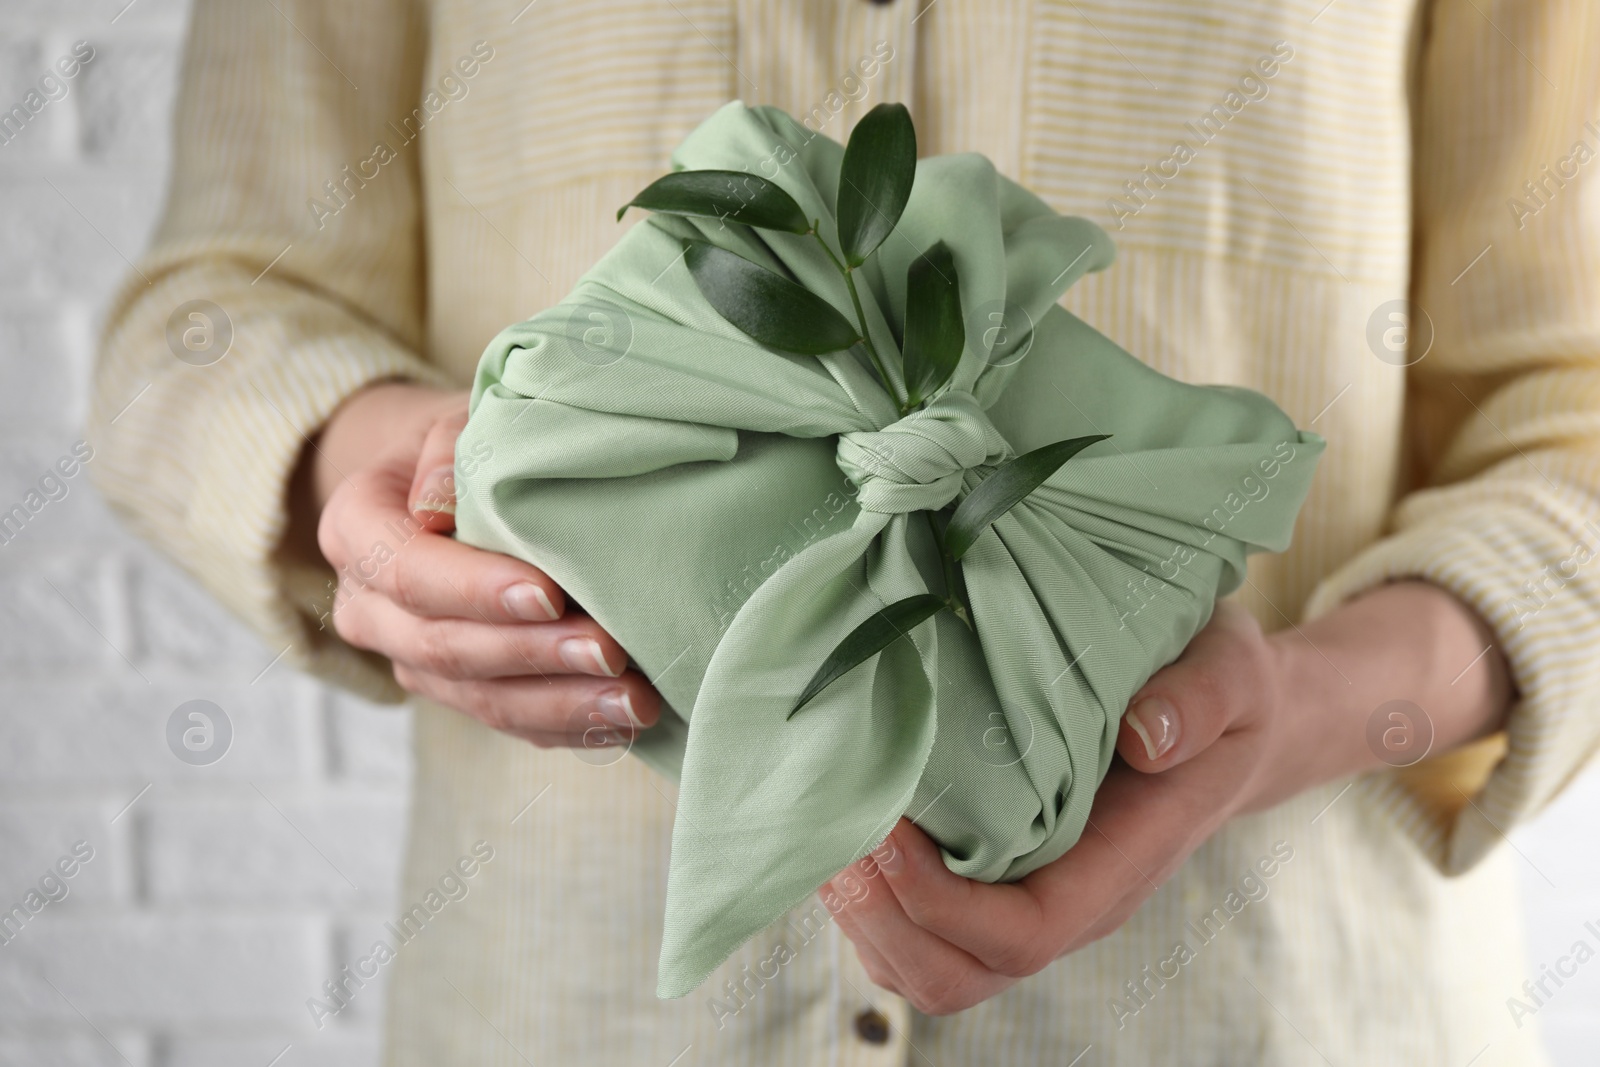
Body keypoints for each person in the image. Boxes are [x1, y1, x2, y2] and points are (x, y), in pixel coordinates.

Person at [91, 1, 1599, 1063]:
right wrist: (387, 483)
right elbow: (205, 322)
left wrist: (1293, 715)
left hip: (1286, 1015)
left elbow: (1573, 414)